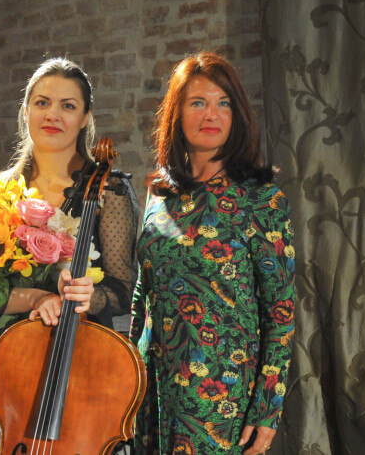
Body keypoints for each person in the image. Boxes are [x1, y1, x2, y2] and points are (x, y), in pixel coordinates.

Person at [130, 52, 295, 454]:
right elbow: (142, 294)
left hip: (221, 396)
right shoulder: (158, 194)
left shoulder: (261, 198)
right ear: (177, 114)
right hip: (151, 390)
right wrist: (127, 372)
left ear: (237, 114)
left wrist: (267, 410)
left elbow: (281, 312)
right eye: (198, 102)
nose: (212, 114)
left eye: (223, 103)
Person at [0, 57, 139, 331]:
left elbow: (123, 293)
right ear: (25, 111)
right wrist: (36, 298)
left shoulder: (110, 190)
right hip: (8, 347)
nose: (52, 115)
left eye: (68, 106)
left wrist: (88, 295)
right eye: (42, 103)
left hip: (82, 344)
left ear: (85, 117)